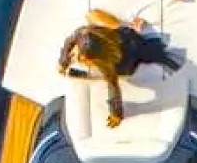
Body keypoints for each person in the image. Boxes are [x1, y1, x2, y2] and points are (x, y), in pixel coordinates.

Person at [57, 12, 185, 128]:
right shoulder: (83, 32)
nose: (77, 57)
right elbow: (70, 41)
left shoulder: (108, 62)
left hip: (127, 60)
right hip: (124, 35)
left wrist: (116, 113)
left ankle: (137, 33)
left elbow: (113, 87)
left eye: (81, 57)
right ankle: (135, 28)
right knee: (92, 15)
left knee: (104, 75)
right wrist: (63, 60)